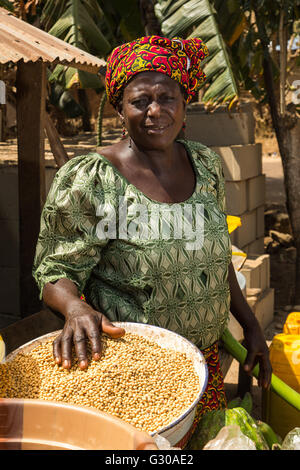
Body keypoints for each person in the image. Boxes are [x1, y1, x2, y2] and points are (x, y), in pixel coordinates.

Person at [33, 35, 272, 448]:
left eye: (168, 98)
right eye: (140, 100)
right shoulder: (92, 179)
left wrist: (251, 327)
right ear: (119, 109)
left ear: (184, 105)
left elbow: (216, 259)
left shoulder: (206, 165)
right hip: (134, 373)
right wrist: (74, 307)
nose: (155, 111)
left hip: (205, 366)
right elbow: (56, 272)